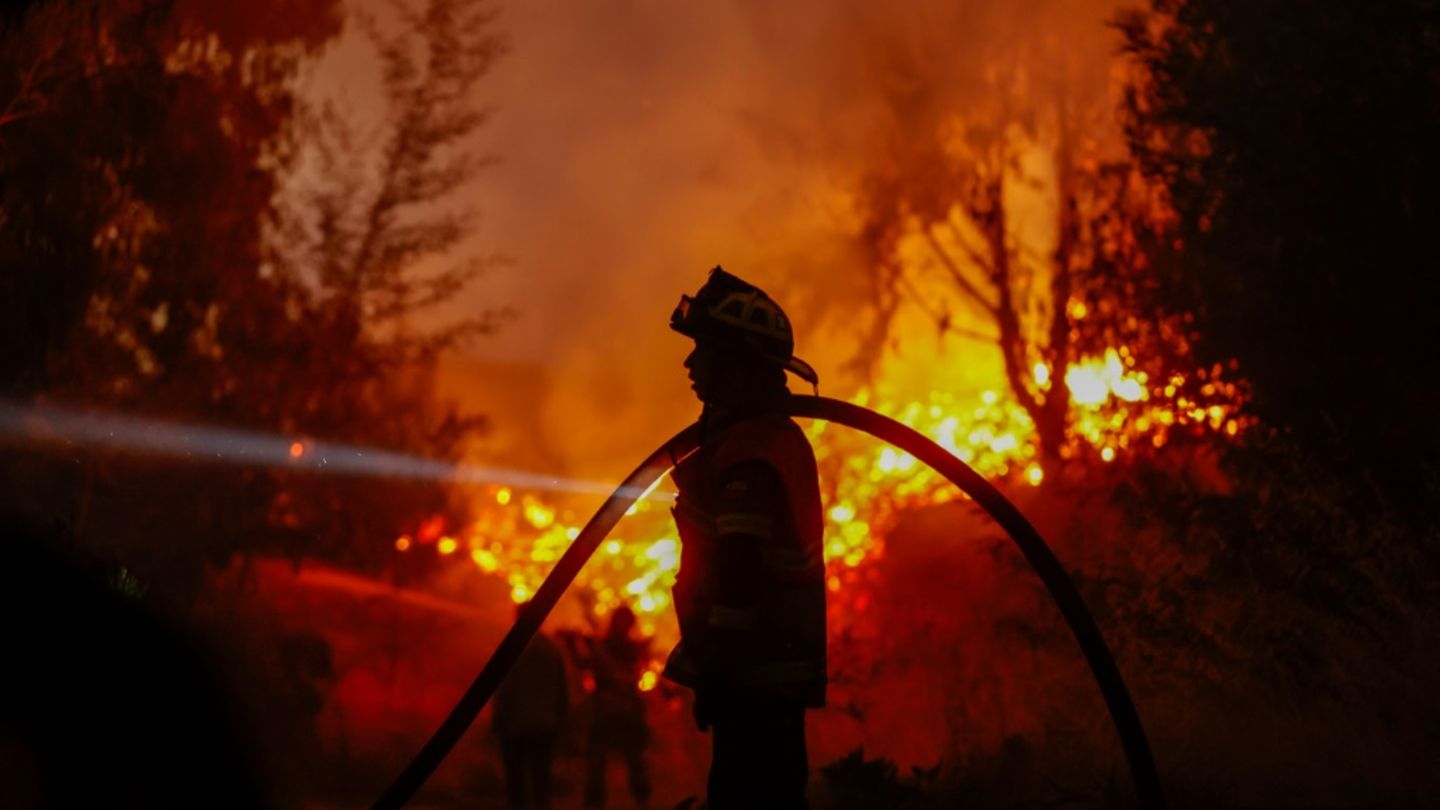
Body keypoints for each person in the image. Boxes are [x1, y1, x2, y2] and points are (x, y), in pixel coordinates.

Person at [662, 267, 828, 809]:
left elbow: (738, 575)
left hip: (752, 680)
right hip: (761, 683)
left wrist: (716, 668)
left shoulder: (751, 458)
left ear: (735, 365)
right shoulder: (755, 443)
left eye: (702, 351)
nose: (690, 364)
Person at [565, 604, 653, 809]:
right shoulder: (621, 648)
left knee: (633, 764)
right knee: (601, 766)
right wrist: (573, 644)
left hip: (619, 716)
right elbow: (584, 663)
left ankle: (641, 801)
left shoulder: (620, 648)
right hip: (612, 715)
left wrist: (576, 645)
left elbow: (585, 663)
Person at [492, 601, 570, 810]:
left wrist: (499, 718)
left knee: (516, 783)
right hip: (545, 725)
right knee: (541, 781)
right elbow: (562, 690)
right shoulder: (552, 650)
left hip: (515, 726)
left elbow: (504, 688)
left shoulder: (512, 648)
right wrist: (560, 720)